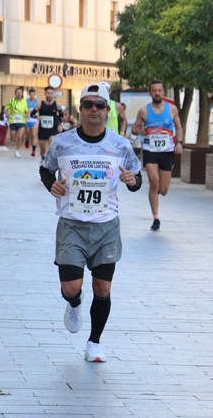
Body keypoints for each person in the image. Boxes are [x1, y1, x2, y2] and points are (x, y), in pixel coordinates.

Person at [39, 82, 142, 363]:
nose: (94, 110)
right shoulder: (62, 142)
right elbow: (46, 170)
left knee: (103, 288)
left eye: (99, 105)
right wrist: (52, 186)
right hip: (71, 225)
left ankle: (94, 342)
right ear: (80, 109)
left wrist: (133, 182)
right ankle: (74, 303)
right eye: (88, 105)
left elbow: (136, 177)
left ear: (107, 111)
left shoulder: (120, 146)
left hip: (106, 226)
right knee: (70, 288)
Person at [132, 80, 184, 231]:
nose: (157, 93)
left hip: (167, 151)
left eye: (159, 90)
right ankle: (156, 218)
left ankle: (158, 194)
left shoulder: (172, 109)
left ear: (163, 92)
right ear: (150, 93)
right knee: (154, 182)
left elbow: (179, 127)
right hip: (150, 150)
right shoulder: (143, 111)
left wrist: (179, 142)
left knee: (164, 190)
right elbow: (136, 129)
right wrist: (136, 130)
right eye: (154, 90)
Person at [34, 86, 62, 159]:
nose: (49, 95)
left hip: (53, 128)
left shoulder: (57, 105)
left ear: (53, 94)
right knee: (42, 148)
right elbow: (31, 114)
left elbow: (61, 116)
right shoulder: (40, 104)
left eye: (51, 93)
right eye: (48, 93)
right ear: (45, 94)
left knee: (51, 143)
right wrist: (37, 117)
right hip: (43, 128)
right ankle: (43, 157)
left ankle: (49, 160)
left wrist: (60, 124)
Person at [5, 87, 29, 158]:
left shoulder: (24, 102)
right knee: (12, 137)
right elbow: (6, 109)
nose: (19, 94)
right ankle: (17, 143)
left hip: (21, 121)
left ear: (22, 94)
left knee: (20, 136)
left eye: (20, 92)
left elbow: (26, 111)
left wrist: (27, 116)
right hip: (13, 121)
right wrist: (7, 113)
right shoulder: (11, 101)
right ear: (15, 93)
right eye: (17, 92)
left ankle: (17, 150)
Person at [26, 88, 40, 156]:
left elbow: (39, 110)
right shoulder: (26, 101)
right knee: (28, 134)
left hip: (35, 120)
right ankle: (27, 140)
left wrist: (39, 117)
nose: (32, 96)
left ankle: (33, 151)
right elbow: (24, 110)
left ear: (35, 95)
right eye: (31, 95)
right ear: (29, 95)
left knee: (34, 135)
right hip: (28, 120)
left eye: (33, 95)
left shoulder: (37, 102)